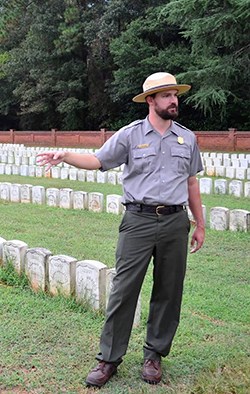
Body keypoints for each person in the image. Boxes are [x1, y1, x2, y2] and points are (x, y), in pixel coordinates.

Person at [37, 72, 205, 387]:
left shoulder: (188, 138)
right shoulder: (130, 135)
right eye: (166, 95)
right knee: (124, 290)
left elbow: (192, 181)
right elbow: (98, 160)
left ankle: (154, 356)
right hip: (138, 221)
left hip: (175, 221)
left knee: (169, 291)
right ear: (151, 101)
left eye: (175, 94)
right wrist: (66, 156)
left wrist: (200, 223)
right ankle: (108, 359)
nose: (174, 100)